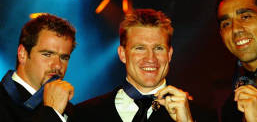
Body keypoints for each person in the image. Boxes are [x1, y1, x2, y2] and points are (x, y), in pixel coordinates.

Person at [68, 9, 217, 122]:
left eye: (158, 48)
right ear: (122, 54)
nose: (150, 58)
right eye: (140, 48)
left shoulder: (201, 116)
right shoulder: (85, 114)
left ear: (169, 54)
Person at [0, 14, 77, 122]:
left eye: (64, 57)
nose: (58, 65)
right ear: (22, 54)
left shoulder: (70, 109)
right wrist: (52, 112)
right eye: (47, 54)